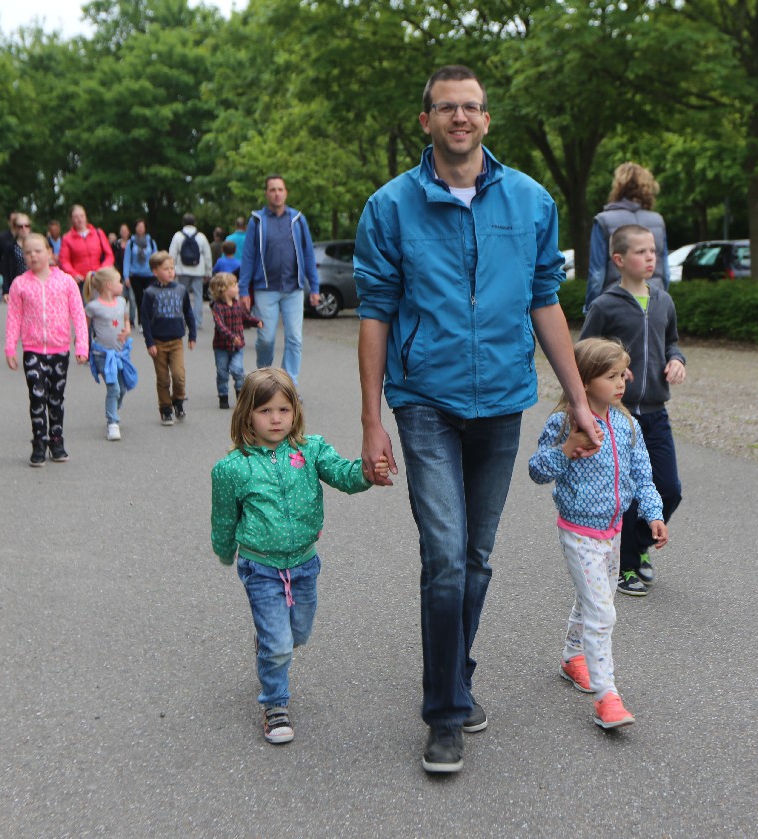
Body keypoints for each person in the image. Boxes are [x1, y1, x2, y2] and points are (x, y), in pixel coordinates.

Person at [354, 64, 600, 774]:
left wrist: (578, 400)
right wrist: (371, 420)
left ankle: (454, 675)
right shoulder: (390, 206)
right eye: (446, 107)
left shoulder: (530, 201)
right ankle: (444, 715)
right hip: (423, 398)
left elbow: (545, 301)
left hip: (500, 399)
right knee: (444, 553)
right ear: (426, 119)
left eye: (471, 107)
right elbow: (375, 312)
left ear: (487, 119)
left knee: (476, 556)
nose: (459, 117)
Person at [210, 367, 389, 744]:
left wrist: (368, 473)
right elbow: (224, 518)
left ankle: (268, 642)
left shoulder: (311, 450)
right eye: (265, 411)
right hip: (260, 567)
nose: (276, 419)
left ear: (295, 411)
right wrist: (225, 551)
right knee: (278, 645)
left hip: (305, 564)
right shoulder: (232, 468)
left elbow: (344, 475)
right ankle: (275, 704)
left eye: (284, 410)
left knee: (298, 634)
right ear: (246, 415)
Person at [528, 337, 667, 729]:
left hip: (613, 532)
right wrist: (567, 448)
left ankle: (573, 657)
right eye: (611, 376)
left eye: (623, 374)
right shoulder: (563, 423)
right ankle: (608, 697)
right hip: (579, 534)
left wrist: (653, 514)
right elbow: (537, 470)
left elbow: (643, 475)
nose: (621, 382)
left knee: (591, 599)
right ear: (585, 380)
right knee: (603, 613)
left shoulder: (627, 425)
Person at [581, 224, 686, 595]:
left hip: (656, 412)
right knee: (625, 493)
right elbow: (585, 353)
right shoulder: (604, 305)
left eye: (653, 251)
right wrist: (610, 368)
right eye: (641, 252)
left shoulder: (664, 301)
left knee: (669, 488)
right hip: (619, 416)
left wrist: (677, 360)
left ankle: (638, 545)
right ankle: (625, 567)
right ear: (619, 260)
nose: (650, 257)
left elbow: (672, 342)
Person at [5, 234, 89, 467]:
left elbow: (78, 314)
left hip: (59, 349)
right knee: (37, 396)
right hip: (33, 350)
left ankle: (56, 440)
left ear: (50, 253)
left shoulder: (66, 282)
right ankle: (39, 442)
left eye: (38, 251)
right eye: (28, 252)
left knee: (56, 398)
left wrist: (82, 344)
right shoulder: (20, 284)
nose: (33, 255)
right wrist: (10, 348)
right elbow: (13, 317)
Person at [239, 175, 320, 381]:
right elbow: (248, 256)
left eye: (280, 189)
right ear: (267, 194)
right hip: (265, 289)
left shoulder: (297, 219)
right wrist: (243, 290)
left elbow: (308, 254)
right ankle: (265, 379)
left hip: (294, 289)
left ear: (286, 193)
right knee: (266, 339)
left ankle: (288, 384)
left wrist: (315, 287)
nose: (277, 194)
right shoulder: (257, 220)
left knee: (294, 339)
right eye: (272, 190)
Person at [584, 162, 670, 312]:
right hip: (654, 303)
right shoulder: (658, 221)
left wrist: (590, 308)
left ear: (617, 186)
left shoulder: (603, 221)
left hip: (615, 304)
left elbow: (597, 275)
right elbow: (666, 273)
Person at [141, 251, 196, 425]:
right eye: (166, 269)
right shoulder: (150, 292)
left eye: (172, 268)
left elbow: (188, 313)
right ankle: (165, 409)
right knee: (163, 378)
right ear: (155, 271)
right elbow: (145, 320)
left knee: (179, 376)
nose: (171, 271)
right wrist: (149, 342)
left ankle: (178, 401)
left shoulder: (180, 290)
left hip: (176, 341)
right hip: (158, 342)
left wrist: (192, 334)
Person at [83, 268, 135, 441]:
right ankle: (112, 423)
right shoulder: (93, 307)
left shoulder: (122, 302)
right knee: (114, 387)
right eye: (118, 282)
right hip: (103, 356)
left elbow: (126, 320)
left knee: (122, 388)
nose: (121, 285)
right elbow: (84, 329)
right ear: (108, 285)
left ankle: (113, 407)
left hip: (121, 353)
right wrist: (83, 349)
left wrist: (127, 330)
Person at [209, 272, 261, 409]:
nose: (237, 287)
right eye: (234, 285)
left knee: (237, 370)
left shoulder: (238, 305)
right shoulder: (217, 307)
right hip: (221, 346)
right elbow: (220, 325)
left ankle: (240, 396)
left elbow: (246, 318)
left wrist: (256, 322)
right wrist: (232, 337)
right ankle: (223, 396)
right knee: (222, 373)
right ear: (223, 289)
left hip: (238, 347)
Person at [58, 205, 114, 291]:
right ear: (71, 219)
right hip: (81, 281)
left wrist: (103, 269)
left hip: (99, 279)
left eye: (82, 216)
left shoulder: (98, 233)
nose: (79, 219)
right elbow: (64, 261)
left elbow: (109, 255)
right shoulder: (67, 238)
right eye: (76, 217)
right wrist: (74, 274)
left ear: (85, 217)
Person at [169, 213, 212, 324]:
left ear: (183, 222)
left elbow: (172, 254)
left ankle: (182, 319)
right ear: (195, 223)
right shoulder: (201, 236)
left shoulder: (178, 236)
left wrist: (171, 269)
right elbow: (207, 256)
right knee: (198, 295)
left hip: (182, 269)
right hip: (198, 270)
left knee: (182, 294)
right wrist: (208, 272)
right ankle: (197, 321)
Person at [124, 219, 158, 327]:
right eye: (138, 226)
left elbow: (156, 258)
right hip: (135, 274)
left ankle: (151, 320)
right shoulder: (131, 243)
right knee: (139, 299)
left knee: (150, 298)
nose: (140, 229)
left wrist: (157, 272)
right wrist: (126, 276)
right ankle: (141, 322)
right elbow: (127, 260)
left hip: (149, 274)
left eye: (142, 226)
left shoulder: (151, 242)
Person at [0, 213, 31, 296]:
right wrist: (6, 290)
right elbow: (6, 269)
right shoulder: (10, 247)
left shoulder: (37, 245)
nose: (24, 229)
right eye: (20, 226)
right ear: (15, 228)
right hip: (17, 286)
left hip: (35, 285)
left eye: (26, 226)